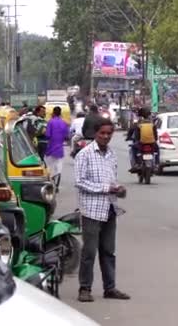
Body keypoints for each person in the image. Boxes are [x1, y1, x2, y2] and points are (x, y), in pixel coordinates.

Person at [74, 118, 130, 302]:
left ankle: (110, 288)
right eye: (102, 133)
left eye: (109, 133)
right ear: (95, 134)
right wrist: (107, 189)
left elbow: (111, 180)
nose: (106, 137)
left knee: (108, 251)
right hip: (91, 210)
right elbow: (80, 182)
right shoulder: (85, 154)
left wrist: (118, 189)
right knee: (89, 251)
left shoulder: (111, 154)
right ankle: (85, 289)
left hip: (110, 208)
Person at [125, 107, 157, 172]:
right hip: (151, 143)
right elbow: (155, 134)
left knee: (133, 148)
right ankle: (157, 163)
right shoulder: (152, 123)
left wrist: (128, 137)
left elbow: (131, 130)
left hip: (140, 142)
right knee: (157, 150)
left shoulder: (138, 123)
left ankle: (136, 164)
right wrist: (155, 140)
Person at [45, 106, 69, 192]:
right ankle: (56, 186)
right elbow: (67, 136)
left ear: (53, 113)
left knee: (49, 168)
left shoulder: (50, 122)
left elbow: (47, 135)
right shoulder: (64, 123)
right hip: (60, 150)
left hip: (50, 149)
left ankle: (50, 185)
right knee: (58, 169)